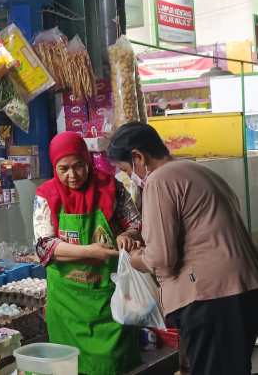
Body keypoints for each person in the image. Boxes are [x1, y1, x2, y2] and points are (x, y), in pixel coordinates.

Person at [107, 121, 258, 375]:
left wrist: (133, 258)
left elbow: (161, 258)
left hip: (211, 296)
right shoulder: (199, 171)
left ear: (138, 157)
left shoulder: (158, 180)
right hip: (244, 288)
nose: (129, 176)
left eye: (126, 169)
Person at [34, 132, 142, 375]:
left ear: (87, 160)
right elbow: (44, 246)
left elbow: (136, 224)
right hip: (67, 303)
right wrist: (89, 251)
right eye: (63, 169)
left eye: (79, 166)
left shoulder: (111, 186)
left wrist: (128, 236)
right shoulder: (46, 195)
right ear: (54, 166)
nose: (72, 175)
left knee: (114, 366)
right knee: (69, 366)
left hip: (110, 298)